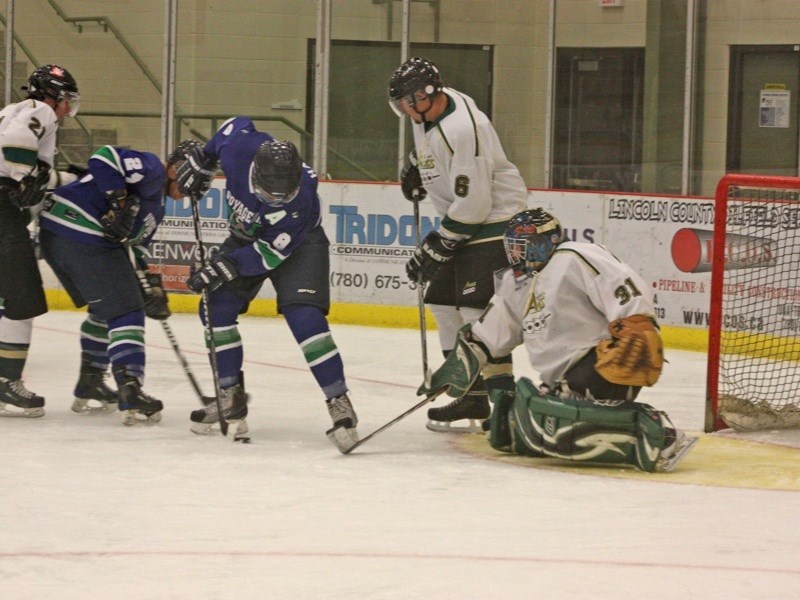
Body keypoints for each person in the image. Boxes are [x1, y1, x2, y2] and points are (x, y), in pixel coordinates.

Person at [418, 208, 699, 472]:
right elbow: (488, 336)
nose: (516, 254)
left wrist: (639, 325)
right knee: (522, 426)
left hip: (600, 365)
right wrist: (456, 367)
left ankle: (659, 434)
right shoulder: (515, 282)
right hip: (562, 380)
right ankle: (610, 426)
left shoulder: (574, 255)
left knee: (549, 424)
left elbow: (622, 285)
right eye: (512, 247)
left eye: (523, 245)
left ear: (548, 240)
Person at [172, 118, 359, 444]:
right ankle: (230, 394)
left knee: (305, 317)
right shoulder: (239, 150)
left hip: (299, 246)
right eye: (267, 194)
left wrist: (222, 267)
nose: (274, 200)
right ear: (255, 174)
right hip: (245, 237)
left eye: (281, 196)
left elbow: (267, 256)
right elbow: (233, 125)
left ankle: (338, 401)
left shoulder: (300, 202)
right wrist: (204, 160)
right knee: (215, 306)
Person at [388, 57, 527, 432]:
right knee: (441, 302)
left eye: (406, 101)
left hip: (493, 220)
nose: (403, 109)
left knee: (475, 312)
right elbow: (436, 153)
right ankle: (473, 395)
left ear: (425, 95)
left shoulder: (464, 129)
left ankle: (503, 406)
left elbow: (476, 204)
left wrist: (439, 244)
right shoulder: (432, 110)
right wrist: (419, 166)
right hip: (465, 220)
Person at [38, 144, 183, 424]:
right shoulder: (152, 167)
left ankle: (90, 381)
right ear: (177, 169)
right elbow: (104, 157)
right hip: (78, 229)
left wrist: (151, 286)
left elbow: (134, 250)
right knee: (127, 311)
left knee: (106, 309)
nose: (193, 191)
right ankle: (131, 389)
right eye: (195, 179)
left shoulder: (158, 208)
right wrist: (119, 202)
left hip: (61, 235)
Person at [0, 64, 83, 417]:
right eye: (67, 101)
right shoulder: (41, 111)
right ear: (55, 96)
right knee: (23, 297)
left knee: (9, 295)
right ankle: (6, 384)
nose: (67, 109)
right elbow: (14, 146)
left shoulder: (12, 110)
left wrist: (67, 177)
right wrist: (24, 176)